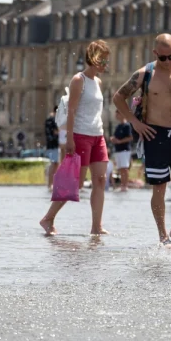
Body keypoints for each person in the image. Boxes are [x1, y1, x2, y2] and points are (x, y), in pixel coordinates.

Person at [113, 33, 171, 244]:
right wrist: (134, 122)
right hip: (154, 134)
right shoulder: (144, 74)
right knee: (159, 186)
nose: (167, 62)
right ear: (155, 53)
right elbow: (118, 97)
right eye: (162, 57)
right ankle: (163, 235)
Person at [40, 41, 112, 236]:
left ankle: (96, 226)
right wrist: (70, 138)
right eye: (103, 60)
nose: (106, 64)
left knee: (100, 180)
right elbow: (71, 110)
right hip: (81, 135)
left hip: (98, 135)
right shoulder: (79, 80)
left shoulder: (98, 82)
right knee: (76, 183)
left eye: (107, 60)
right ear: (93, 59)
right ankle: (48, 218)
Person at [110, 112, 134, 192]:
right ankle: (122, 185)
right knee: (120, 168)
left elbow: (130, 137)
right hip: (118, 150)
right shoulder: (118, 126)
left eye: (118, 113)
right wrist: (113, 139)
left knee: (124, 168)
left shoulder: (127, 126)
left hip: (124, 150)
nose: (116, 115)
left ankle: (125, 185)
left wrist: (120, 141)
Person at [44, 112, 60, 190]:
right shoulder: (52, 120)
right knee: (54, 163)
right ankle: (50, 184)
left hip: (51, 145)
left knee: (55, 164)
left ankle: (51, 183)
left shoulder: (49, 120)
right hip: (54, 145)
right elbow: (56, 132)